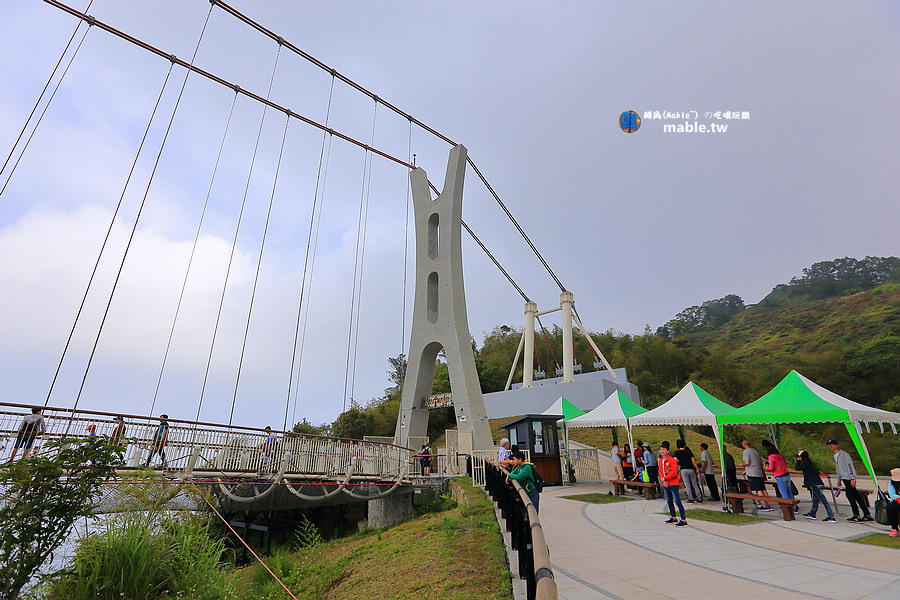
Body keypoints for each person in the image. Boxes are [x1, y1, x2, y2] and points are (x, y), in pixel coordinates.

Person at [827, 439, 873, 522]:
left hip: (849, 478)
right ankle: (867, 514)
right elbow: (838, 469)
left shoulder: (844, 455)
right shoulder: (835, 456)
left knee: (850, 496)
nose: (831, 446)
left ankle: (856, 515)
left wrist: (852, 478)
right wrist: (839, 480)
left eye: (832, 444)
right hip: (844, 478)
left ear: (837, 445)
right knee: (856, 496)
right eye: (829, 445)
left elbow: (850, 466)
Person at [795, 450, 835, 522]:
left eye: (799, 457)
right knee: (815, 500)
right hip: (818, 484)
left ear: (802, 457)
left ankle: (831, 517)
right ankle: (812, 513)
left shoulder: (805, 464)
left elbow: (797, 468)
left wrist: (798, 461)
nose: (798, 458)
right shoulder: (810, 463)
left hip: (815, 485)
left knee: (824, 501)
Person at [659, 441, 687, 526]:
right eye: (661, 450)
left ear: (668, 451)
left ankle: (683, 518)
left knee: (677, 500)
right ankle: (673, 516)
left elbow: (674, 472)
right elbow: (660, 471)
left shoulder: (672, 460)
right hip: (665, 483)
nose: (662, 451)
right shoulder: (660, 460)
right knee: (669, 500)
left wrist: (665, 478)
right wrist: (663, 480)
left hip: (673, 483)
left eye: (664, 449)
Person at [763, 440, 796, 511]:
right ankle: (794, 506)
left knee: (784, 493)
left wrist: (767, 467)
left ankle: (788, 507)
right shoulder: (780, 455)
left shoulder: (771, 457)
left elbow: (771, 468)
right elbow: (785, 463)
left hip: (780, 476)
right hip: (786, 475)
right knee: (789, 491)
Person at [742, 440, 772, 511]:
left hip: (752, 473)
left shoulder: (746, 451)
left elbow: (747, 462)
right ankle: (769, 505)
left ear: (743, 445)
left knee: (758, 490)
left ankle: (763, 505)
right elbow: (761, 463)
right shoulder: (756, 451)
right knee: (763, 489)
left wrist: (743, 465)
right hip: (759, 472)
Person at [886, 468, 900, 537]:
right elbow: (892, 494)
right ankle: (894, 528)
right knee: (890, 508)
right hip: (896, 499)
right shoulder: (891, 483)